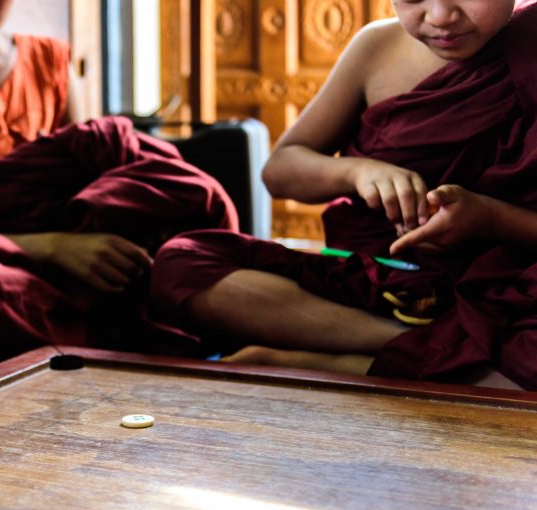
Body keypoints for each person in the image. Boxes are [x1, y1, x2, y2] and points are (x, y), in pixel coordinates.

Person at [150, 0, 537, 389]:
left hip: (511, 294)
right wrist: (358, 171)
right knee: (181, 264)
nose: (439, 16)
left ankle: (337, 363)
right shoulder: (377, 48)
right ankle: (429, 347)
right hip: (380, 285)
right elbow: (280, 171)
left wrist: (491, 218)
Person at [0, 0, 237, 371]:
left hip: (79, 247)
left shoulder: (50, 61)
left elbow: (93, 175)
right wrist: (56, 247)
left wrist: (89, 239)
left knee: (187, 194)